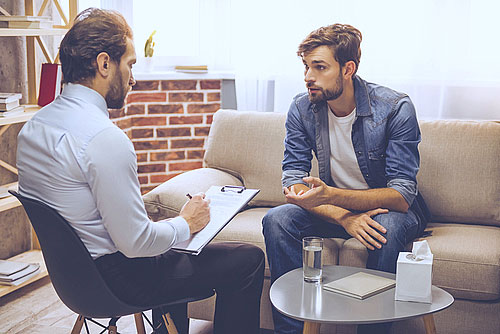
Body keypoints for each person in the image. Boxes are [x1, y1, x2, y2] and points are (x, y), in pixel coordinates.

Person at [16, 8, 264, 334]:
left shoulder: (32, 129)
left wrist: (176, 229)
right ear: (104, 64)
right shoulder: (104, 139)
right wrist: (187, 223)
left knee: (173, 243)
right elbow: (137, 244)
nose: (134, 78)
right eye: (130, 64)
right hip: (120, 281)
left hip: (72, 282)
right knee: (248, 260)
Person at [262, 23, 430, 334]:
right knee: (277, 219)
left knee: (386, 228)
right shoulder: (302, 107)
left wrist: (332, 197)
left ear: (348, 68)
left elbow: (402, 195)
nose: (308, 77)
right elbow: (294, 182)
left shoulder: (395, 108)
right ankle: (292, 330)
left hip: (389, 211)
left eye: (320, 67)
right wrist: (345, 218)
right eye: (306, 66)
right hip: (335, 211)